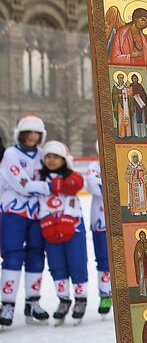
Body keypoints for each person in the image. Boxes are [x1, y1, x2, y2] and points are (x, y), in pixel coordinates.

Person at [1, 114, 51, 327]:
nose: (32, 136)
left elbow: (52, 180)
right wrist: (41, 186)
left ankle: (33, 301)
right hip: (13, 212)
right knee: (12, 256)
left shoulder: (43, 155)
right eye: (28, 132)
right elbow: (22, 184)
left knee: (36, 255)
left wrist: (39, 185)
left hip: (37, 214)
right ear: (20, 133)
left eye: (36, 133)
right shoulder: (11, 155)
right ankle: (7, 304)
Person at [37, 141, 88, 322]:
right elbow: (40, 203)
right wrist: (47, 222)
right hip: (50, 229)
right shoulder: (40, 179)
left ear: (64, 159)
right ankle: (64, 299)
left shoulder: (72, 176)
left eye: (56, 157)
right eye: (48, 157)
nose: (51, 160)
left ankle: (81, 298)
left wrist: (67, 219)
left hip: (72, 228)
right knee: (57, 265)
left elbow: (76, 185)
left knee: (77, 263)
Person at [85, 161, 112, 315]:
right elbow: (92, 185)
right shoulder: (94, 165)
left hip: (122, 220)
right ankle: (105, 294)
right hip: (100, 221)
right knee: (103, 260)